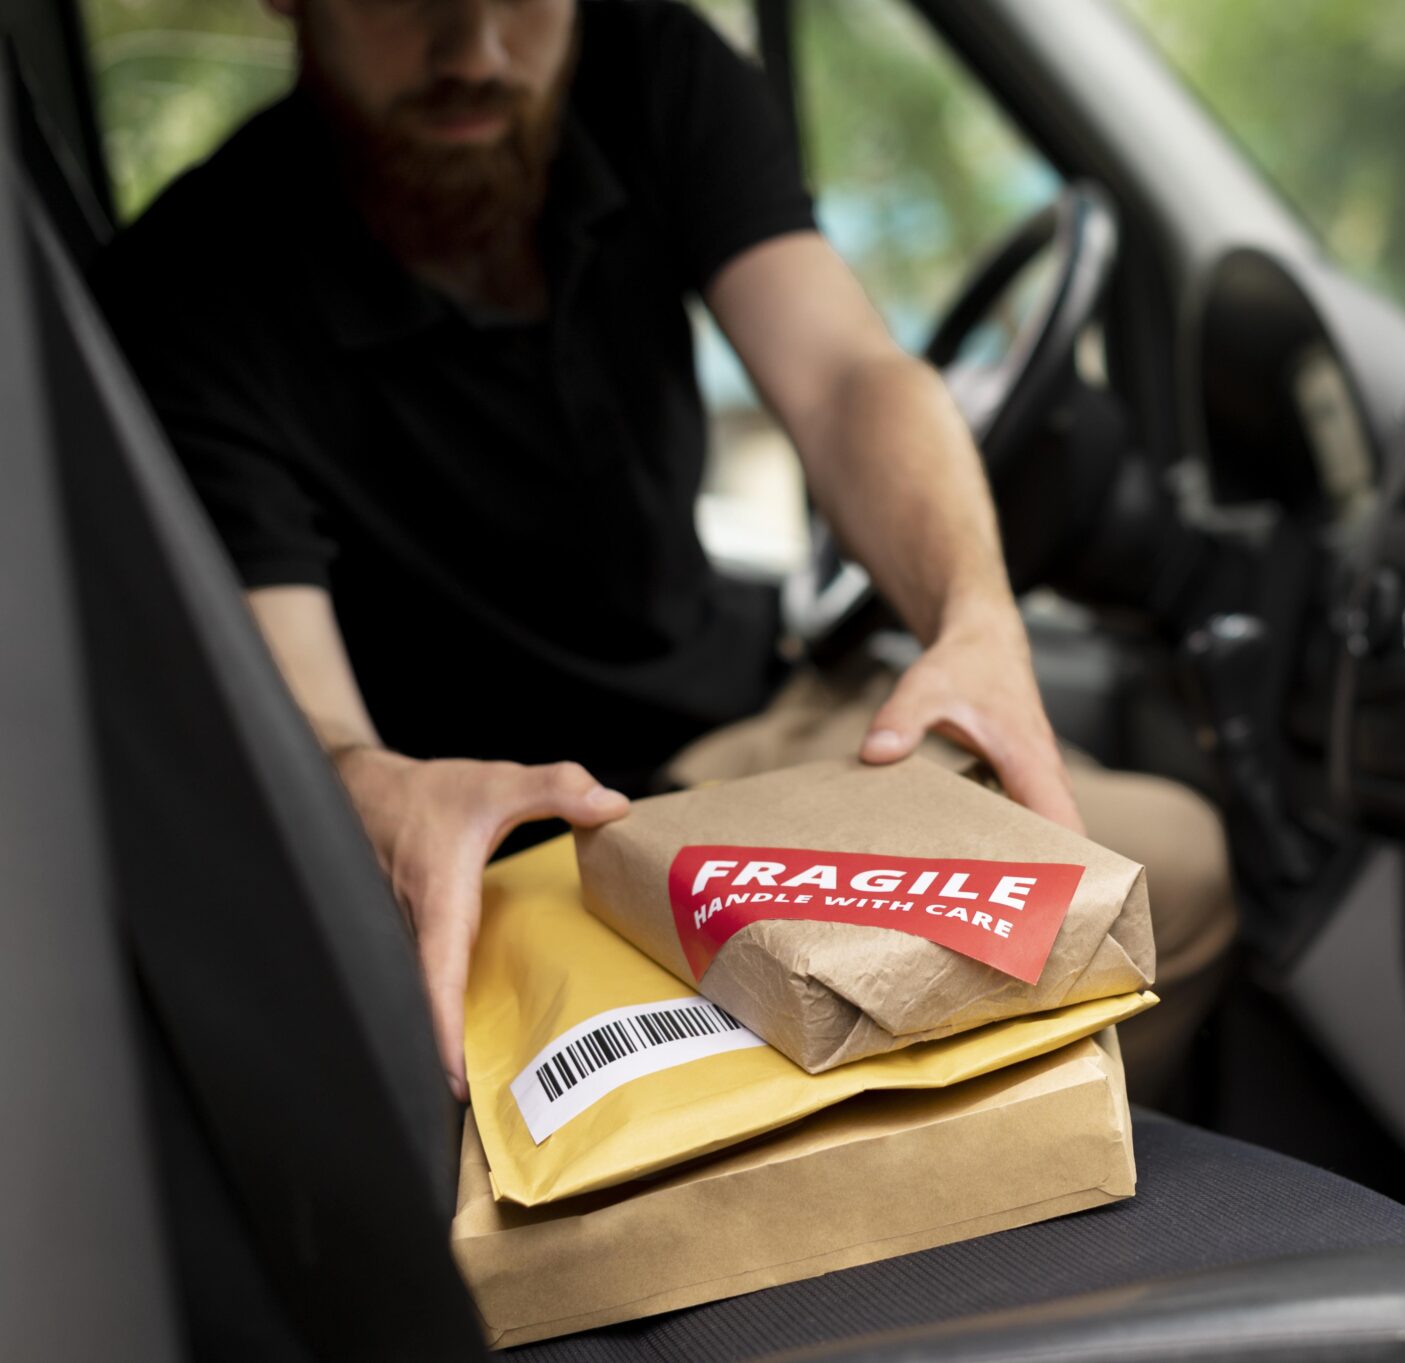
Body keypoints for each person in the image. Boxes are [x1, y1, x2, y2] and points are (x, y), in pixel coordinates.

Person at [96, 0, 1234, 1104]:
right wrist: (363, 784)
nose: (475, 47)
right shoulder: (190, 293)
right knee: (1131, 900)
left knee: (1150, 881)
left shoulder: (653, 73)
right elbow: (310, 716)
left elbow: (845, 380)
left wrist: (974, 617)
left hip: (754, 722)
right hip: (515, 838)